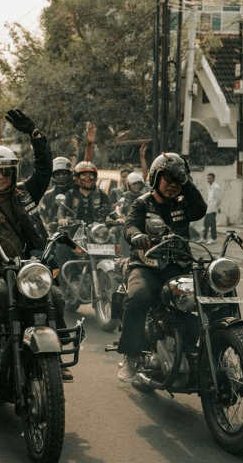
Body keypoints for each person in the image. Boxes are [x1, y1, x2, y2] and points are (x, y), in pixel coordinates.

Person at [0, 109, 70, 385]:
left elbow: (44, 168)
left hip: (28, 266)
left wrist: (35, 135)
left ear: (12, 172)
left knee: (54, 296)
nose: (0, 177)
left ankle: (57, 354)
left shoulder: (26, 193)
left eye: (5, 172)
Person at [117, 153, 207, 382]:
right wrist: (136, 236)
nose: (173, 185)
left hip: (180, 267)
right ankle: (131, 357)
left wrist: (186, 182)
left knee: (213, 295)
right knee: (138, 297)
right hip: (147, 267)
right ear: (156, 179)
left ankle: (214, 350)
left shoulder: (184, 203)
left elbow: (200, 210)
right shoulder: (142, 203)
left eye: (178, 181)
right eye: (168, 179)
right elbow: (129, 227)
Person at [58, 161, 112, 227]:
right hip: (74, 227)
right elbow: (62, 209)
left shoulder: (100, 194)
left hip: (95, 228)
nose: (88, 178)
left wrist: (118, 218)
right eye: (84, 175)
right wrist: (61, 219)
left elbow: (110, 208)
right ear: (76, 177)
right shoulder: (70, 194)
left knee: (110, 233)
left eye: (90, 175)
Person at [39, 157, 73, 230]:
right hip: (53, 231)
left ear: (69, 173)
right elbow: (41, 214)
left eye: (64, 173)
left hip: (74, 229)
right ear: (52, 175)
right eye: (57, 174)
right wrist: (45, 226)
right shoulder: (47, 196)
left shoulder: (75, 193)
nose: (61, 176)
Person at [201, 172, 222, 244]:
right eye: (208, 178)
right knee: (206, 223)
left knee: (212, 224)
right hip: (209, 207)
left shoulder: (216, 187)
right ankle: (204, 238)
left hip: (213, 208)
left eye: (210, 178)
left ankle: (213, 238)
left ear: (214, 179)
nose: (209, 180)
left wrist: (218, 207)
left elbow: (218, 198)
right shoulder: (209, 186)